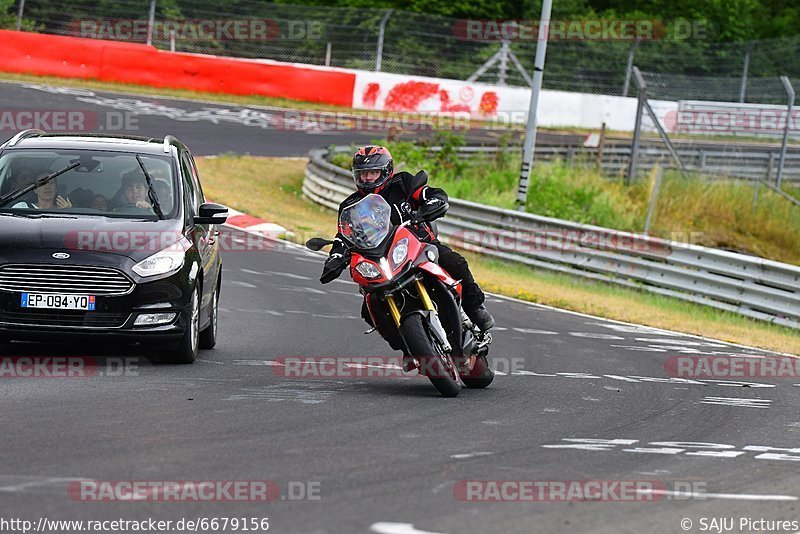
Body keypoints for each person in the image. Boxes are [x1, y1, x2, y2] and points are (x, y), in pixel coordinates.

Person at [320, 145, 494, 355]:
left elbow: (429, 193)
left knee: (454, 262)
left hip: (419, 246)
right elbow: (344, 236)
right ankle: (410, 348)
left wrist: (434, 202)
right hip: (379, 258)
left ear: (385, 170)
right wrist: (336, 256)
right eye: (363, 174)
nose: (368, 178)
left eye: (373, 173)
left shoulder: (402, 183)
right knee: (370, 307)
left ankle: (475, 309)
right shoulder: (351, 204)